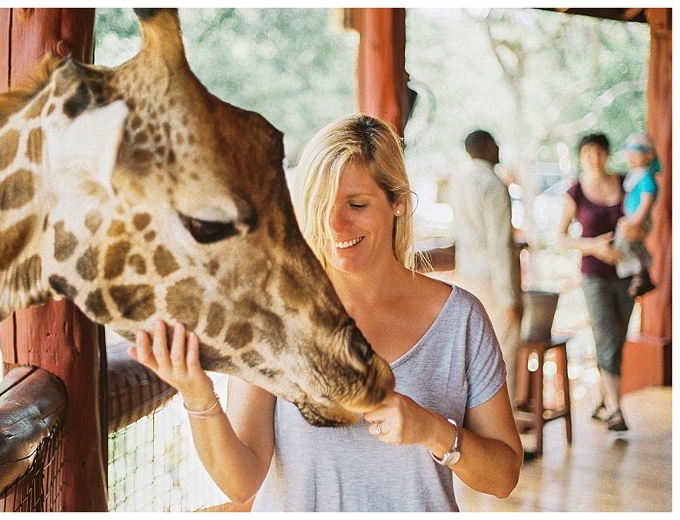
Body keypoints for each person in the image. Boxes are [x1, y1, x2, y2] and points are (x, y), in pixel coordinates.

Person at [129, 114, 523, 511]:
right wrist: (198, 395)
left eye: (356, 204)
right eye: (321, 205)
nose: (335, 224)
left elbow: (504, 477)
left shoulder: (460, 320)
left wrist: (433, 430)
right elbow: (241, 482)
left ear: (398, 201)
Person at [557, 133, 640, 432]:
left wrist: (635, 234)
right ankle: (617, 410)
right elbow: (560, 238)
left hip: (627, 272)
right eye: (588, 152)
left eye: (599, 151)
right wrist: (593, 246)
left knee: (618, 337)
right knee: (606, 336)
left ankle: (605, 400)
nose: (594, 157)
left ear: (607, 154)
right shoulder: (575, 192)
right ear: (582, 156)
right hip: (594, 275)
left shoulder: (625, 181)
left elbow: (644, 225)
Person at [449, 130, 522, 405]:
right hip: (493, 281)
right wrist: (509, 297)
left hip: (467, 277)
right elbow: (500, 244)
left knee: (472, 356)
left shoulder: (458, 182)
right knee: (502, 353)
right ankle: (506, 427)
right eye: (496, 144)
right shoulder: (493, 184)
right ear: (488, 147)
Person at [612, 132, 659, 298]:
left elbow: (646, 201)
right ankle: (640, 273)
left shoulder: (646, 178)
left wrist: (636, 222)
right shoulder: (635, 176)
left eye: (635, 154)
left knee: (625, 244)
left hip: (638, 219)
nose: (630, 158)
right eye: (629, 155)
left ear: (648, 155)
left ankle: (640, 273)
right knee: (630, 245)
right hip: (632, 217)